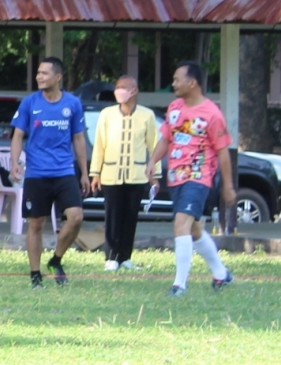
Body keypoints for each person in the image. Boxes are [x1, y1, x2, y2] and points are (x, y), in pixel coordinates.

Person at [146, 61, 237, 296]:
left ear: (192, 83)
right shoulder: (175, 107)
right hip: (175, 177)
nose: (174, 84)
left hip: (198, 176)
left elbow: (223, 153)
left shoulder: (212, 114)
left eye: (177, 80)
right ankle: (221, 274)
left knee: (180, 224)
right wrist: (152, 161)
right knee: (194, 230)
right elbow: (166, 139)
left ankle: (179, 285)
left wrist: (228, 187)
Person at [10, 56, 90, 287]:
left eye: (44, 73)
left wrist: (84, 172)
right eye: (38, 73)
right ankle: (35, 274)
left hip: (64, 170)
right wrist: (16, 162)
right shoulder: (30, 103)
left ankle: (56, 259)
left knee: (76, 217)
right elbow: (17, 136)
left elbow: (78, 138)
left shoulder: (72, 104)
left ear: (58, 77)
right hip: (36, 172)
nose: (39, 77)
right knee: (36, 223)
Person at [87, 74, 158, 271]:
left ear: (134, 91)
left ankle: (125, 256)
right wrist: (95, 173)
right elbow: (99, 145)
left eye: (124, 87)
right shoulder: (107, 114)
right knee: (112, 216)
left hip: (136, 174)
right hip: (111, 173)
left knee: (130, 216)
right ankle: (111, 256)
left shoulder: (147, 115)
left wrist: (155, 176)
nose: (119, 90)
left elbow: (154, 146)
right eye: (117, 86)